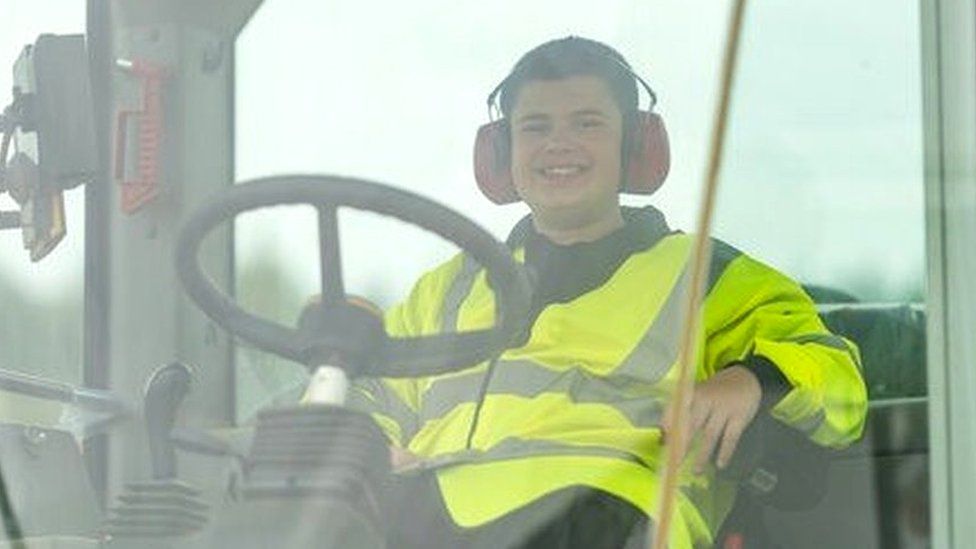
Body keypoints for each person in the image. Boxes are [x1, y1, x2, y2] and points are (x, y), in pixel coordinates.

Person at [347, 36, 867, 548]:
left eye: (587, 123)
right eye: (535, 127)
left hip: (610, 520)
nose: (558, 143)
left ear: (634, 146)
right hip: (432, 524)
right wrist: (370, 446)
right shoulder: (448, 289)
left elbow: (838, 379)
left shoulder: (708, 275)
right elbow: (364, 388)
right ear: (503, 153)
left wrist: (751, 380)